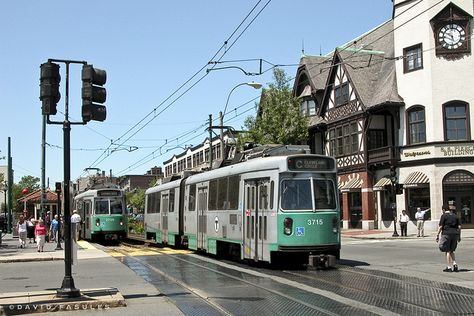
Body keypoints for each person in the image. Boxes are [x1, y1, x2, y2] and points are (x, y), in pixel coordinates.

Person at [436, 205, 461, 272]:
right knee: (452, 250)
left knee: (447, 251)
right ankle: (455, 264)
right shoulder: (455, 216)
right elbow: (459, 227)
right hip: (455, 234)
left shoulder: (444, 216)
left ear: (443, 210)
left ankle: (449, 267)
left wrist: (437, 235)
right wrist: (459, 236)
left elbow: (441, 226)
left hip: (446, 234)